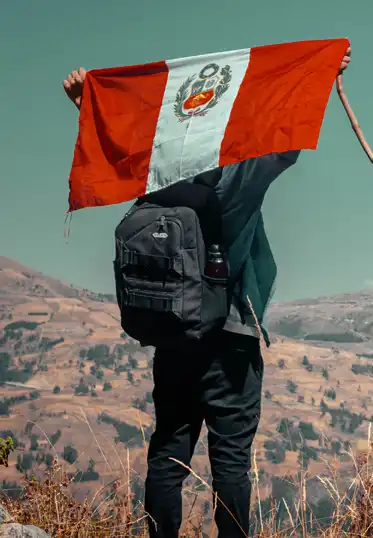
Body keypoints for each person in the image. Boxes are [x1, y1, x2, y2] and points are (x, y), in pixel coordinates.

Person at [61, 47, 351, 538]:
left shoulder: (157, 177)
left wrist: (86, 102)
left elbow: (120, 142)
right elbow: (285, 141)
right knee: (231, 461)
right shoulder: (237, 177)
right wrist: (317, 75)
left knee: (168, 452)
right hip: (231, 335)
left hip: (173, 335)